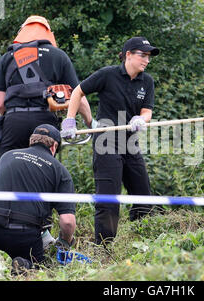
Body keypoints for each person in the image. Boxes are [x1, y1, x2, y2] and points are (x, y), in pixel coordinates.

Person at [60, 37, 160, 246]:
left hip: (130, 142)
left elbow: (147, 111)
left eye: (148, 56)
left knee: (143, 195)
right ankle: (104, 248)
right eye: (143, 55)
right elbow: (78, 91)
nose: (146, 60)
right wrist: (70, 120)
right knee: (109, 201)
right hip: (106, 142)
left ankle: (145, 242)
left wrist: (141, 119)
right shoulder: (108, 75)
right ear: (128, 55)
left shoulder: (147, 81)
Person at [0, 124, 77, 273]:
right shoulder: (60, 170)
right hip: (22, 234)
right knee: (41, 267)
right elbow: (67, 221)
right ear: (54, 147)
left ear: (31, 141)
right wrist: (64, 244)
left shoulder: (7, 156)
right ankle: (25, 264)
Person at [0, 15, 91, 166]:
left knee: (7, 171)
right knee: (43, 171)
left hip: (14, 123)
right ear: (48, 33)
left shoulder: (7, 57)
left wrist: (13, 118)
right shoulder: (59, 56)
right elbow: (79, 97)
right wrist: (90, 122)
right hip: (46, 124)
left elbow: (0, 104)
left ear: (22, 32)